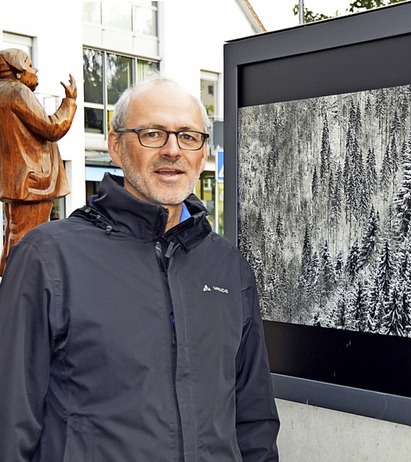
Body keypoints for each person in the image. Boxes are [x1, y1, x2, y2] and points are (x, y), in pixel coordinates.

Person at [0, 76, 280, 461]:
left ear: (202, 153)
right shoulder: (48, 258)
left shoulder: (228, 268)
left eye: (188, 136)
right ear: (116, 147)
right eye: (152, 134)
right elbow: (11, 423)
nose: (172, 150)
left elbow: (254, 420)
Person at [0, 48, 77, 275]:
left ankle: (14, 283)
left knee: (14, 233)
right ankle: (21, 286)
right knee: (27, 237)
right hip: (32, 180)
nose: (36, 70)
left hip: (17, 179)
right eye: (30, 65)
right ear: (17, 70)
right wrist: (69, 102)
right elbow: (52, 128)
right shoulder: (17, 92)